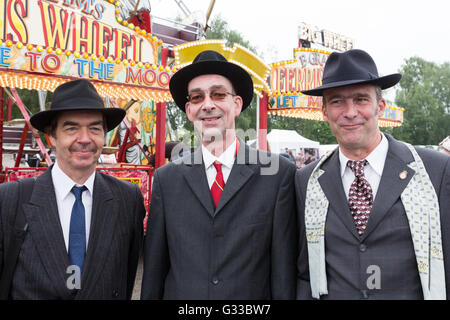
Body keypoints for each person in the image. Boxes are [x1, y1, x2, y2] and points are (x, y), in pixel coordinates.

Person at [140, 50, 297, 299]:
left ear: (236, 104)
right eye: (197, 97)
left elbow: (283, 274)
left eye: (218, 94)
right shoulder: (166, 180)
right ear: (189, 110)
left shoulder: (277, 176)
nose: (208, 104)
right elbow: (154, 273)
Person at [295, 49, 450, 300]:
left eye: (361, 99)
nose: (350, 112)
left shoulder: (435, 170)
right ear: (324, 112)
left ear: (381, 106)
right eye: (336, 101)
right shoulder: (307, 180)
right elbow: (303, 273)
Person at [0, 79, 146, 299]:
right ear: (51, 137)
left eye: (95, 128)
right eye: (71, 128)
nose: (85, 139)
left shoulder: (128, 199)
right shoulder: (11, 198)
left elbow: (126, 276)